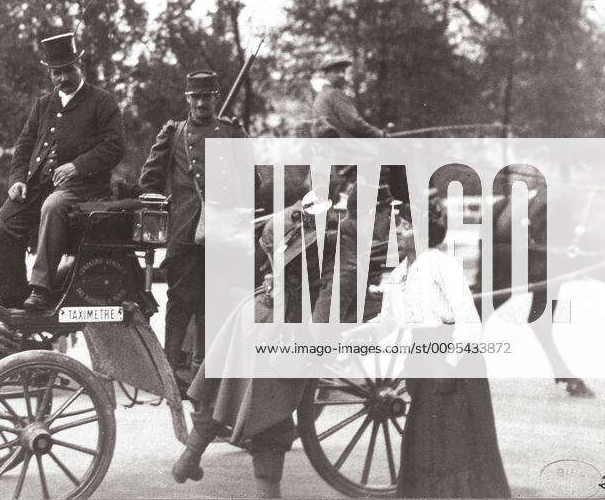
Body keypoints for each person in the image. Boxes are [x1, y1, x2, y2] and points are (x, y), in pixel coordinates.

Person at [171, 186, 395, 499]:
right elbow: (326, 314)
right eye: (389, 215)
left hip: (254, 313)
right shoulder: (347, 250)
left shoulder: (312, 223)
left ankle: (187, 460)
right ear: (375, 215)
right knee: (271, 419)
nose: (391, 224)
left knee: (220, 391)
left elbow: (267, 236)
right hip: (280, 333)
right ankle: (267, 494)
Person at [377, 203, 511, 498]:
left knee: (454, 448)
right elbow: (387, 321)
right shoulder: (401, 273)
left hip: (455, 365)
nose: (397, 230)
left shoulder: (440, 264)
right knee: (425, 446)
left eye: (406, 226)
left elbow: (470, 323)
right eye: (398, 225)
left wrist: (448, 367)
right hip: (425, 364)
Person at [0, 32, 125, 312]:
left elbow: (115, 147)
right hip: (39, 187)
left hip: (86, 191)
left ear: (80, 67)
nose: (62, 78)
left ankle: (41, 290)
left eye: (68, 71)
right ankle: (12, 294)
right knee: (2, 224)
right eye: (56, 72)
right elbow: (24, 146)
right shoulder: (44, 104)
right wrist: (17, 180)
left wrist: (78, 166)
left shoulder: (102, 101)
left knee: (53, 206)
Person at [138, 70, 248, 390]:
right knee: (179, 300)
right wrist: (164, 209)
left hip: (224, 234)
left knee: (214, 303)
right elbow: (150, 181)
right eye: (195, 97)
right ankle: (169, 368)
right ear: (187, 99)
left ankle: (205, 373)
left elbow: (251, 184)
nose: (201, 103)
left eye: (207, 96)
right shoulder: (174, 134)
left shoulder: (231, 133)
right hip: (184, 232)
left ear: (216, 96)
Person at [311, 55, 385, 138]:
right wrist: (379, 134)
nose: (342, 75)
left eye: (343, 71)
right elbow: (354, 124)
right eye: (337, 71)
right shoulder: (334, 93)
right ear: (326, 75)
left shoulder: (319, 98)